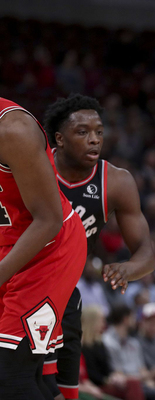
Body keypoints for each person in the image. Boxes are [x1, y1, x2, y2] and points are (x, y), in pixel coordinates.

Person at [41, 93, 155, 400]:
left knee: (66, 391)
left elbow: (146, 253)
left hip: (65, 294)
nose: (94, 140)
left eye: (99, 132)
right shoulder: (35, 166)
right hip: (22, 286)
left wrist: (129, 268)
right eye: (83, 132)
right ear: (59, 139)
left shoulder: (116, 182)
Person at [0, 97, 87, 399]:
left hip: (49, 247)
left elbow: (49, 220)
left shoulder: (13, 129)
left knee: (10, 378)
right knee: (34, 378)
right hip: (8, 242)